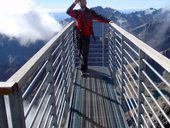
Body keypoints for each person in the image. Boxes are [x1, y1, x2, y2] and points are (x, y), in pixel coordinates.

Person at [66, 0, 112, 76]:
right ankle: (84, 67)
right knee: (80, 51)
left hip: (86, 35)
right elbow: (68, 12)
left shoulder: (90, 12)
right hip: (79, 35)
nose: (82, 3)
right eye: (80, 2)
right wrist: (74, 3)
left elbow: (98, 17)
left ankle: (83, 69)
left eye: (83, 1)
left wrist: (108, 21)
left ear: (86, 3)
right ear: (79, 3)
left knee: (84, 52)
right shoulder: (77, 12)